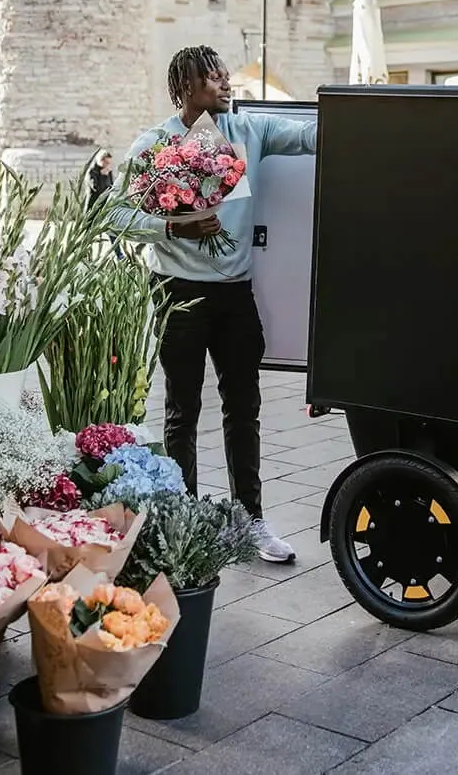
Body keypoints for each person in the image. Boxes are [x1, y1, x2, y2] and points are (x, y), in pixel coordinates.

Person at [119, 46, 316, 563]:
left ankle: (249, 519)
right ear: (185, 88)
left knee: (244, 409)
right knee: (182, 412)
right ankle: (183, 526)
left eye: (227, 77)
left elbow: (309, 136)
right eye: (214, 78)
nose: (226, 85)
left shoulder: (250, 129)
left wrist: (364, 120)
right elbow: (113, 213)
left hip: (236, 295)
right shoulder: (156, 143)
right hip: (177, 293)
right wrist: (174, 224)